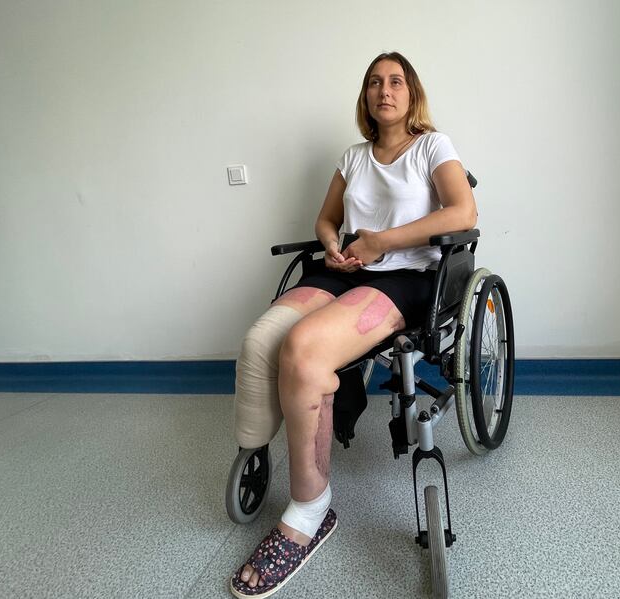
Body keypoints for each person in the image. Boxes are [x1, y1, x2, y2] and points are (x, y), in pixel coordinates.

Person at [229, 51, 477, 598]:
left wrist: (382, 242)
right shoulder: (353, 156)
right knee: (260, 339)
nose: (384, 90)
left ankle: (310, 507)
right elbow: (326, 219)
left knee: (303, 348)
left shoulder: (433, 147)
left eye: (395, 82)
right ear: (364, 98)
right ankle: (255, 448)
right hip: (348, 270)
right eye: (373, 83)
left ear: (411, 93)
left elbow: (463, 214)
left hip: (405, 279)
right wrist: (333, 245)